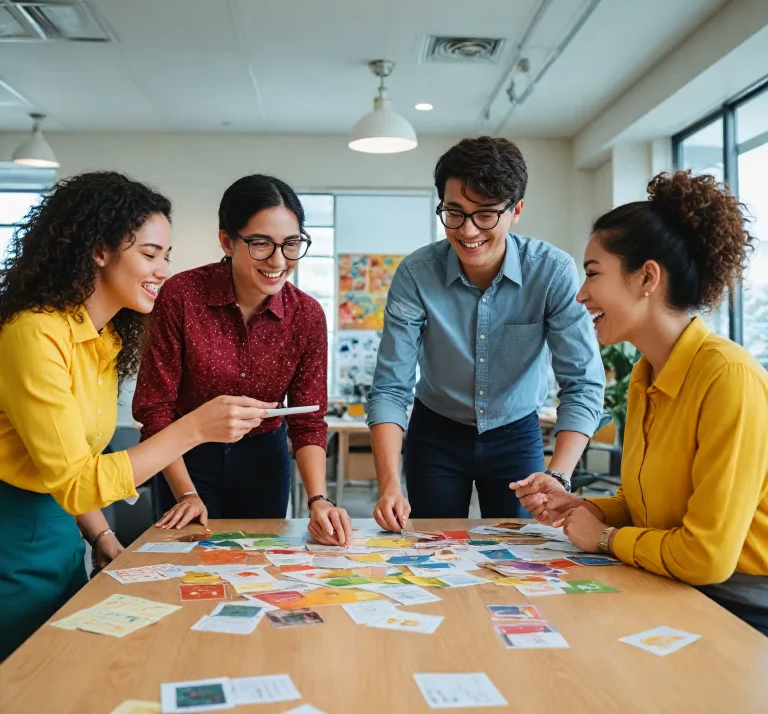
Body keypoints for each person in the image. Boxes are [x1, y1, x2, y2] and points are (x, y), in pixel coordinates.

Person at [0, 172, 271, 660]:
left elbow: (66, 465)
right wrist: (193, 428)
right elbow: (77, 480)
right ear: (98, 250)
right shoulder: (34, 334)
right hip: (12, 535)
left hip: (62, 532)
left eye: (165, 256)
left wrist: (100, 534)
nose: (163, 270)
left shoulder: (104, 339)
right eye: (150, 254)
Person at [512, 170, 768, 636]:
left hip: (739, 604)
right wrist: (579, 507)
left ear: (648, 277)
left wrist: (606, 538)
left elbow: (707, 556)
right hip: (668, 584)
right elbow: (642, 505)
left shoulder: (729, 377)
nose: (581, 294)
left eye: (593, 274)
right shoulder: (645, 374)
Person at [368, 136, 605, 531]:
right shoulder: (416, 274)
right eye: (454, 213)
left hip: (516, 431)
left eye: (486, 215)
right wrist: (390, 485)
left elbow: (582, 383)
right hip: (436, 432)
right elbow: (391, 387)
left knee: (519, 556)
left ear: (516, 211)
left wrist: (559, 474)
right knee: (433, 548)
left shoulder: (551, 272)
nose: (468, 230)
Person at [133, 175, 352, 546]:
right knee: (184, 568)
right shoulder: (181, 296)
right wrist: (186, 493)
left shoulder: (307, 315)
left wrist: (318, 499)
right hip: (184, 457)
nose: (278, 261)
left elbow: (309, 418)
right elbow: (156, 408)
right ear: (227, 241)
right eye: (261, 244)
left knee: (259, 567)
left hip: (264, 462)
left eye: (291, 244)